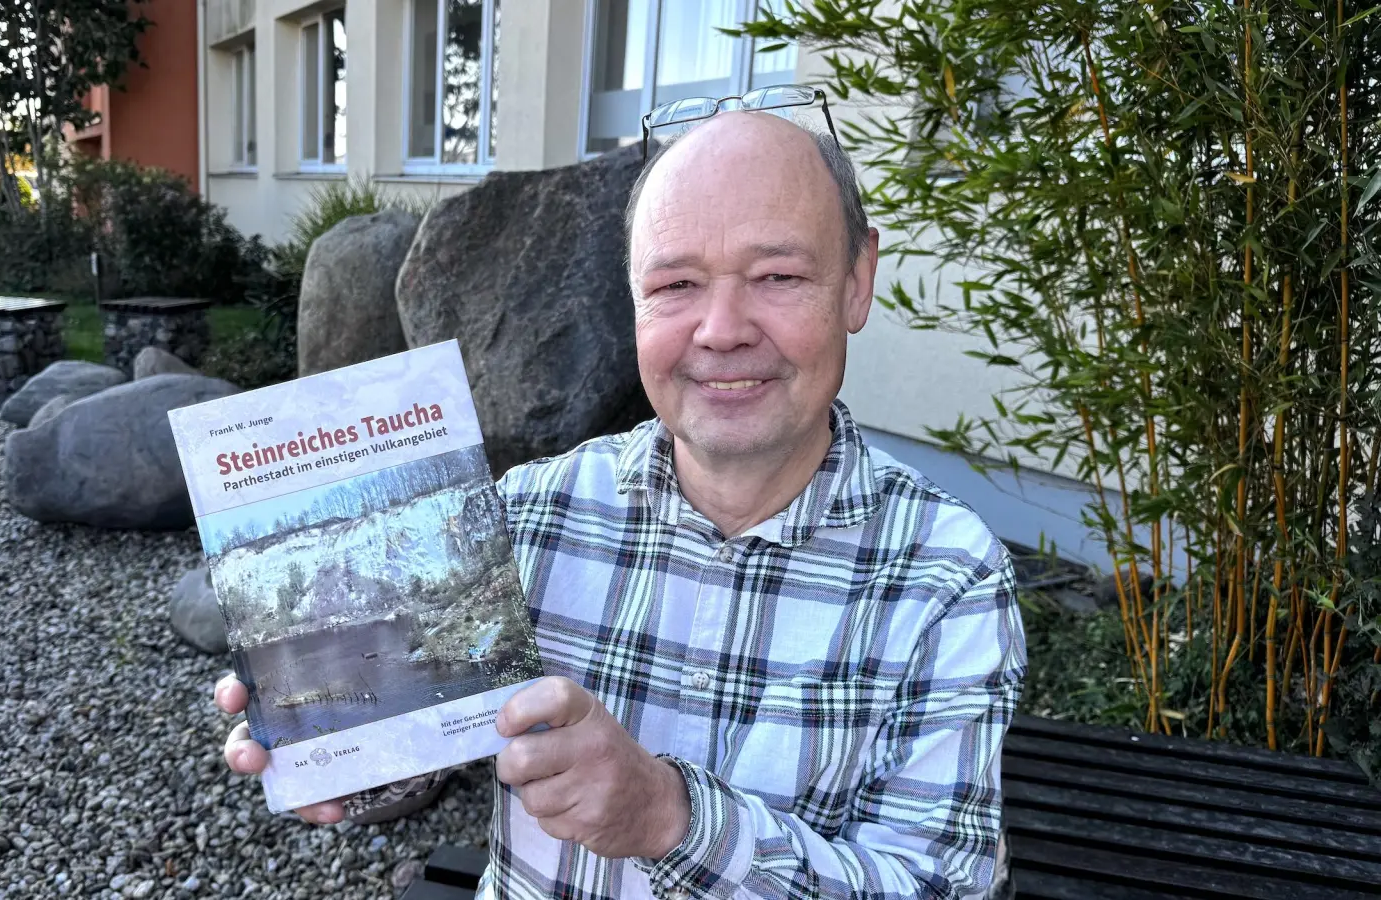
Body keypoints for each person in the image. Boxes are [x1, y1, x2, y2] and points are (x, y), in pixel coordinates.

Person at [214, 109, 1027, 899]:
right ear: (634, 300)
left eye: (778, 276)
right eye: (676, 283)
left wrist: (672, 818)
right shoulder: (528, 515)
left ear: (856, 282)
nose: (721, 329)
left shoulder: (944, 578)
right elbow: (420, 734)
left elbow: (934, 884)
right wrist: (334, 745)